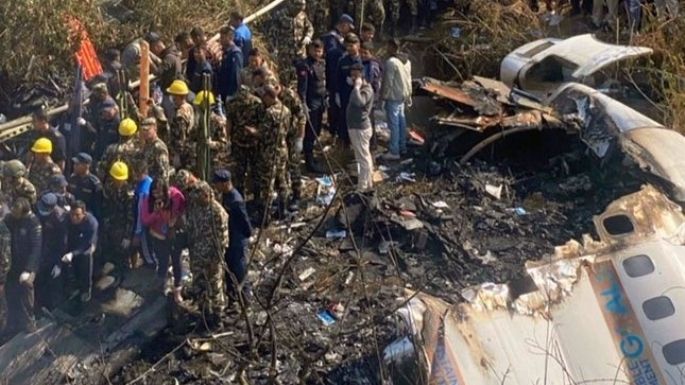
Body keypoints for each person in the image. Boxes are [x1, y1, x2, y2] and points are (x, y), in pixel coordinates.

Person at [185, 181, 228, 328]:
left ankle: (218, 317)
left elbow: (223, 241)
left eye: (199, 197)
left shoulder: (217, 212)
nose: (196, 201)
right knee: (200, 287)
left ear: (206, 195)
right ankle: (204, 315)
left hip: (212, 258)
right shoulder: (196, 208)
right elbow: (190, 228)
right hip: (197, 255)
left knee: (215, 287)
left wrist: (215, 261)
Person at [141, 178, 186, 303]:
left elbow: (181, 208)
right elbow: (145, 220)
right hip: (158, 236)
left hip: (174, 234)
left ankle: (178, 289)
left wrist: (174, 222)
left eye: (160, 193)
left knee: (177, 261)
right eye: (155, 193)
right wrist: (155, 212)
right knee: (163, 262)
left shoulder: (175, 196)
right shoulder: (147, 200)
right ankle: (162, 286)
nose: (157, 196)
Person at [2, 197, 41, 337]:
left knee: (26, 285)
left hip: (28, 264)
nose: (13, 212)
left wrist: (29, 269)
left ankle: (30, 320)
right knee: (10, 291)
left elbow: (36, 248)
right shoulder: (10, 219)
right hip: (13, 262)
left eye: (16, 211)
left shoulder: (33, 222)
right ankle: (12, 322)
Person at [213, 170, 252, 303]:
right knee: (229, 271)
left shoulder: (236, 200)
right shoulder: (226, 196)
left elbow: (245, 223)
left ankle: (246, 299)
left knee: (240, 270)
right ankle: (233, 299)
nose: (216, 187)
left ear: (225, 183)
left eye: (217, 183)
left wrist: (246, 236)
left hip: (237, 241)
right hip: (229, 239)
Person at [255, 85, 291, 222]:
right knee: (282, 181)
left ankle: (265, 216)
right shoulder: (285, 110)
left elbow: (262, 133)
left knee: (268, 184)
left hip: (270, 151)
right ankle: (283, 210)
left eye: (264, 97)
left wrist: (253, 132)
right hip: (282, 149)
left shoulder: (269, 113)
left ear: (269, 97)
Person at [226, 85, 263, 197]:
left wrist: (228, 138)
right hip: (252, 142)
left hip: (240, 142)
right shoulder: (257, 102)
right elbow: (261, 122)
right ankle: (256, 196)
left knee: (240, 172)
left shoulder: (232, 103)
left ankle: (241, 196)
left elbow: (229, 123)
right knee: (255, 171)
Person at [296, 40, 327, 173]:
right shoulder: (305, 65)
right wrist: (303, 103)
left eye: (319, 51)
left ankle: (311, 156)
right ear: (309, 50)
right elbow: (302, 87)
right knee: (310, 133)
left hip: (321, 101)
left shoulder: (322, 63)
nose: (317, 53)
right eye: (315, 50)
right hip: (311, 103)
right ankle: (309, 162)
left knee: (317, 130)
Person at [266, 0, 314, 84]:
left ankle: (300, 96)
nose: (299, 10)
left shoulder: (302, 15)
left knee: (301, 76)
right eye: (297, 7)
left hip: (300, 52)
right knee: (285, 76)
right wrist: (273, 48)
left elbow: (310, 28)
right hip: (285, 52)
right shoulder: (280, 15)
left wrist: (308, 36)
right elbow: (272, 33)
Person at [34, 193, 68, 312]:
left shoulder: (60, 218)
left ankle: (55, 307)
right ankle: (40, 304)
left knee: (54, 280)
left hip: (55, 252)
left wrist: (58, 263)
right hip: (42, 249)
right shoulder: (40, 209)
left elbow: (63, 243)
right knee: (40, 279)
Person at [322, 14, 354, 138]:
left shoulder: (340, 37)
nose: (349, 30)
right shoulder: (332, 38)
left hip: (340, 76)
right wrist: (345, 52)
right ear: (343, 24)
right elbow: (332, 55)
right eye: (348, 27)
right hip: (333, 76)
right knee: (334, 106)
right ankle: (333, 131)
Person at [380, 38, 412, 161]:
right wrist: (409, 96)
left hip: (393, 97)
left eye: (388, 46)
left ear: (392, 47)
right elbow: (409, 80)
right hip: (403, 96)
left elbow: (388, 82)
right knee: (401, 122)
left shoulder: (391, 62)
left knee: (393, 124)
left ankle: (394, 151)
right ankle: (402, 146)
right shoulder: (406, 61)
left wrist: (383, 98)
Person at [102, 161, 135, 272]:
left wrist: (127, 236)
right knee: (110, 255)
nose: (118, 181)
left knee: (123, 256)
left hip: (123, 226)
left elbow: (131, 215)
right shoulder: (108, 187)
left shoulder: (128, 192)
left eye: (120, 179)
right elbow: (105, 207)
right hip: (110, 225)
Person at [62, 201, 98, 303]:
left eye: (77, 215)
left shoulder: (91, 223)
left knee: (86, 256)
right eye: (72, 215)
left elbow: (87, 243)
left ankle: (86, 289)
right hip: (74, 240)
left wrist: (73, 254)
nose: (74, 218)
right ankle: (72, 285)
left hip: (87, 243)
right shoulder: (68, 219)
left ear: (84, 213)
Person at [346, 63, 375, 191]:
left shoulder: (366, 89)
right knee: (361, 156)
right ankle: (367, 183)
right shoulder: (356, 88)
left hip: (360, 128)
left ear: (362, 76)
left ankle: (363, 187)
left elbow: (359, 102)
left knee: (363, 158)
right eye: (352, 75)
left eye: (356, 75)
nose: (353, 78)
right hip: (355, 127)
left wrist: (357, 88)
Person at [334, 33, 363, 143]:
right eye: (348, 46)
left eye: (352, 45)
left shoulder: (363, 59)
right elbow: (338, 78)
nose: (350, 48)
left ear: (358, 45)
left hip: (359, 96)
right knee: (344, 121)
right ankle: (344, 143)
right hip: (345, 95)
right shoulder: (343, 60)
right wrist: (336, 93)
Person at [97, 118, 140, 184]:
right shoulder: (138, 149)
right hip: (131, 186)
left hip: (112, 185)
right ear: (133, 133)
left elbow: (102, 169)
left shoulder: (111, 148)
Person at [166, 80, 196, 169]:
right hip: (189, 148)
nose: (171, 98)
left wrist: (177, 155)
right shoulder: (189, 107)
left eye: (173, 95)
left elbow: (180, 137)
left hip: (183, 153)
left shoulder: (180, 115)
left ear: (177, 96)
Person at [131, 160, 154, 266]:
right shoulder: (150, 181)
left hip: (144, 225)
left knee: (146, 249)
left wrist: (137, 232)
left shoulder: (143, 191)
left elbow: (140, 214)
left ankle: (151, 266)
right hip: (151, 221)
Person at [68, 153, 103, 220]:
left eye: (77, 164)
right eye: (74, 164)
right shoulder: (72, 179)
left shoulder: (94, 183)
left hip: (87, 216)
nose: (74, 166)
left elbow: (97, 207)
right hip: (72, 215)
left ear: (86, 166)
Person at [138, 117, 171, 182]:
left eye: (147, 130)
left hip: (156, 184)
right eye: (143, 130)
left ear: (155, 129)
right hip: (147, 183)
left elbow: (164, 171)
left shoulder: (159, 147)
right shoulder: (147, 144)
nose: (145, 133)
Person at [216, 26, 243, 103]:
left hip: (230, 92)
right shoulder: (226, 52)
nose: (221, 40)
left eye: (223, 37)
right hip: (223, 90)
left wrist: (231, 94)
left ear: (230, 37)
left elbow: (236, 75)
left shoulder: (235, 53)